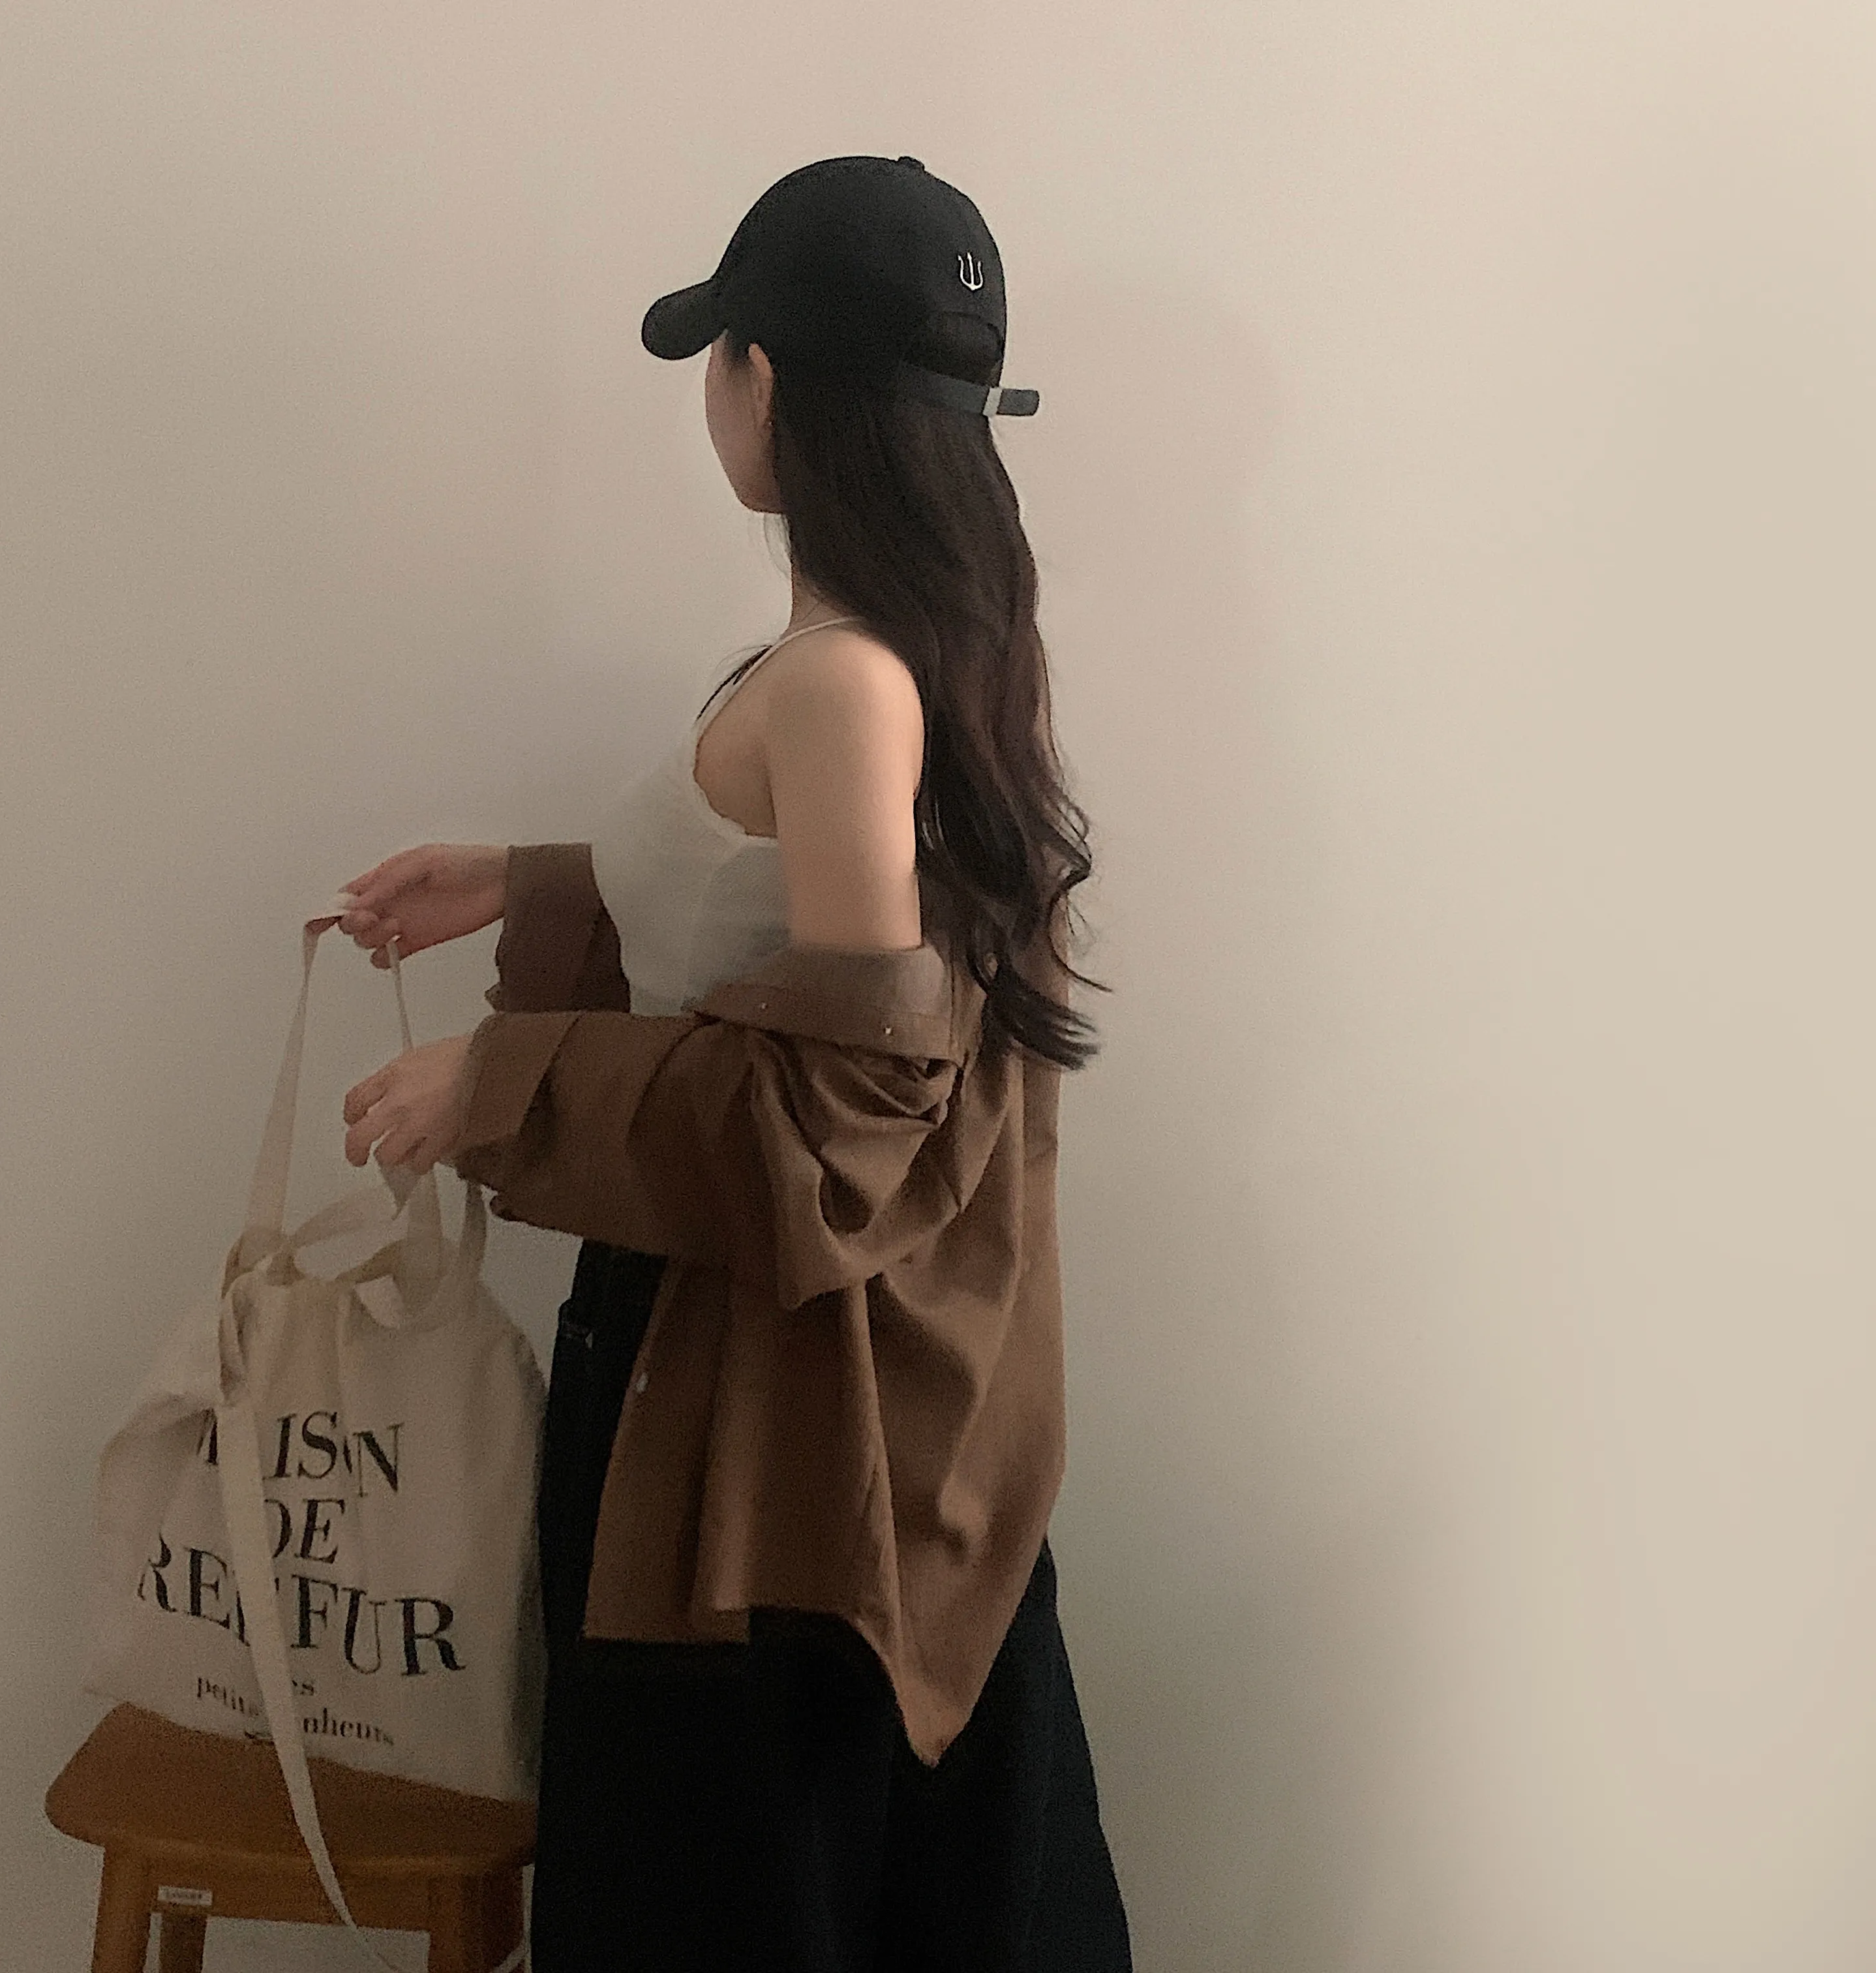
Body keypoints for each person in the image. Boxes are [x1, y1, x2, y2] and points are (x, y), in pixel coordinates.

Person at [331, 155, 1132, 1972]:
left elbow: (848, 1102)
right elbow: (798, 940)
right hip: (867, 1395)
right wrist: (532, 881)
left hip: (760, 1422)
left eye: (719, 360)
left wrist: (496, 1085)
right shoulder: (940, 647)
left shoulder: (840, 682)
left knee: (726, 1897)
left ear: (763, 378)